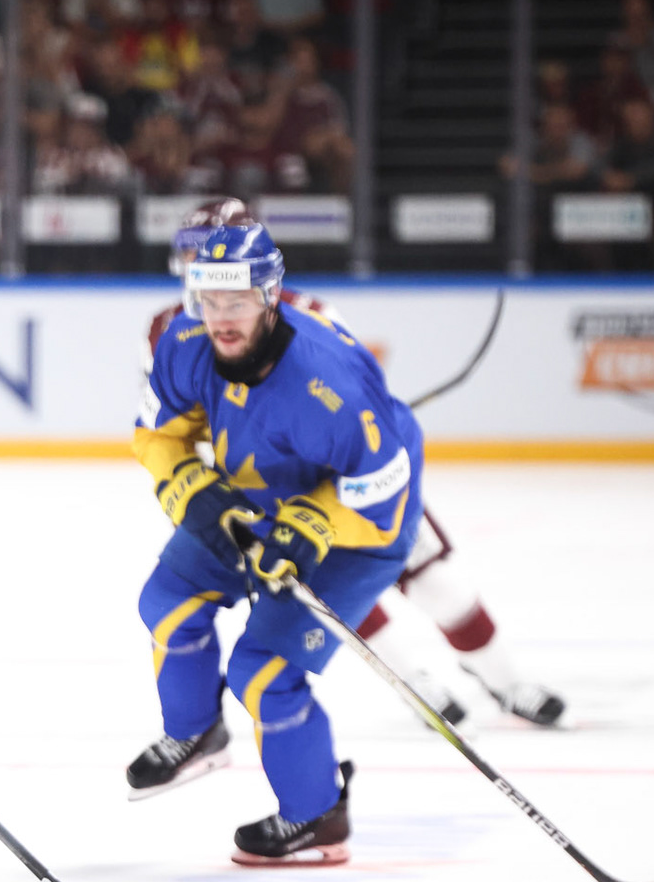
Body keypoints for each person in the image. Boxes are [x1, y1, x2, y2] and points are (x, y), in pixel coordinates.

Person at [127, 201, 561, 798]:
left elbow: (352, 408)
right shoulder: (170, 331)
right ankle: (418, 686)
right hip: (258, 492)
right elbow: (174, 420)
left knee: (437, 584)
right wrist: (200, 489)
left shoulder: (305, 312)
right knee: (316, 597)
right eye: (193, 254)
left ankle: (507, 682)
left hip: (350, 484)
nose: (201, 266)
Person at [127, 216, 420, 866]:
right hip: (254, 498)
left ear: (268, 296)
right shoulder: (184, 340)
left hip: (357, 528)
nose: (220, 317)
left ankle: (316, 814)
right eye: (208, 299)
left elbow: (385, 497)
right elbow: (157, 437)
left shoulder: (331, 381)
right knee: (167, 602)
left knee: (263, 673)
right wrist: (195, 492)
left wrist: (311, 525)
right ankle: (195, 732)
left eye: (235, 301)